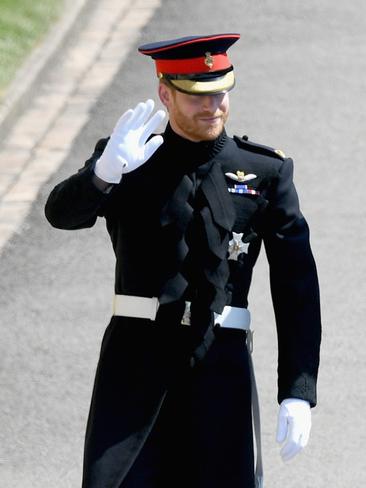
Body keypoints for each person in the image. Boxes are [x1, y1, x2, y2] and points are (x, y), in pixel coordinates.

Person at [45, 33, 321, 488]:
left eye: (220, 92)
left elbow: (297, 288)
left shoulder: (265, 172)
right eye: (196, 96)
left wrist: (298, 389)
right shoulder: (129, 156)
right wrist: (102, 176)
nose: (212, 105)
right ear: (166, 94)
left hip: (220, 365)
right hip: (135, 360)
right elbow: (60, 215)